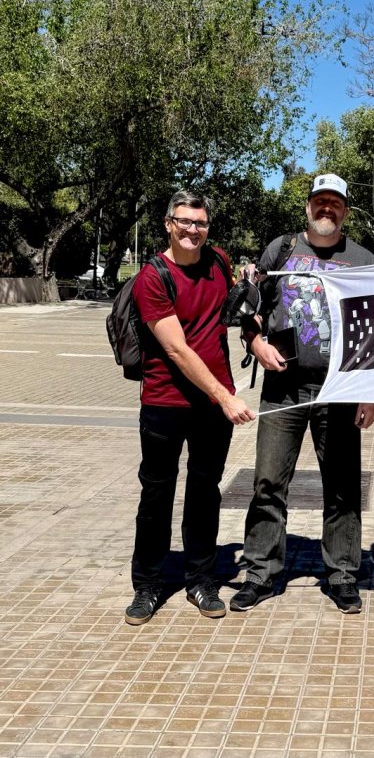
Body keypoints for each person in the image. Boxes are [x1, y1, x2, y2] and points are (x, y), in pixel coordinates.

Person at [231, 174, 374, 615]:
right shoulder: (280, 250)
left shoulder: (364, 258)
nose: (327, 210)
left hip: (341, 390)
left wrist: (369, 392)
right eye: (320, 202)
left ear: (346, 211)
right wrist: (255, 343)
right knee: (268, 482)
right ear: (308, 208)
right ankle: (259, 572)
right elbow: (249, 311)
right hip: (283, 390)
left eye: (335, 203)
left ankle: (342, 574)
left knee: (342, 487)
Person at [125, 190, 255, 626]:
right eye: (184, 222)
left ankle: (201, 580)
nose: (192, 230)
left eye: (200, 223)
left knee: (204, 493)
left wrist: (250, 290)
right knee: (157, 493)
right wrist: (226, 396)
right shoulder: (152, 277)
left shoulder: (218, 260)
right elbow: (177, 351)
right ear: (168, 223)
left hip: (212, 407)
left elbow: (234, 307)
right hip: (165, 402)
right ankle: (147, 586)